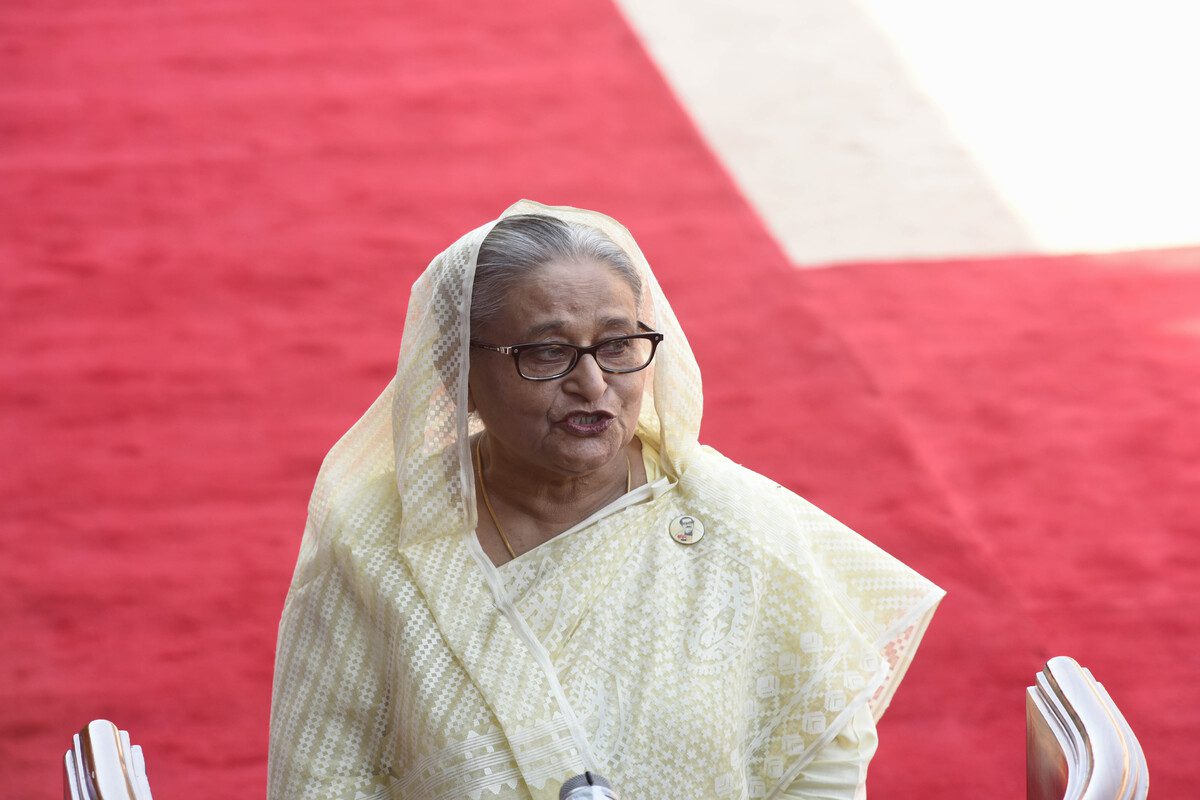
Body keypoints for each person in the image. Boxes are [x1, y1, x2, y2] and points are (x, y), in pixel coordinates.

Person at [267, 200, 944, 800]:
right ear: (458, 372)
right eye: (547, 352)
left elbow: (821, 755)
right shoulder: (377, 538)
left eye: (619, 345)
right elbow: (326, 774)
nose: (593, 383)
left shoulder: (740, 529)